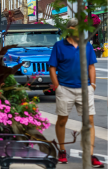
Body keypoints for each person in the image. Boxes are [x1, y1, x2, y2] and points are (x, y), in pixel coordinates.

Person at [48, 18, 103, 167]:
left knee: (89, 121)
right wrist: (57, 86)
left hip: (85, 89)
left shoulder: (87, 46)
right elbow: (52, 67)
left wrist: (92, 85)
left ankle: (89, 154)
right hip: (64, 88)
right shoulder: (59, 46)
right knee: (62, 120)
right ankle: (62, 150)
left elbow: (91, 66)